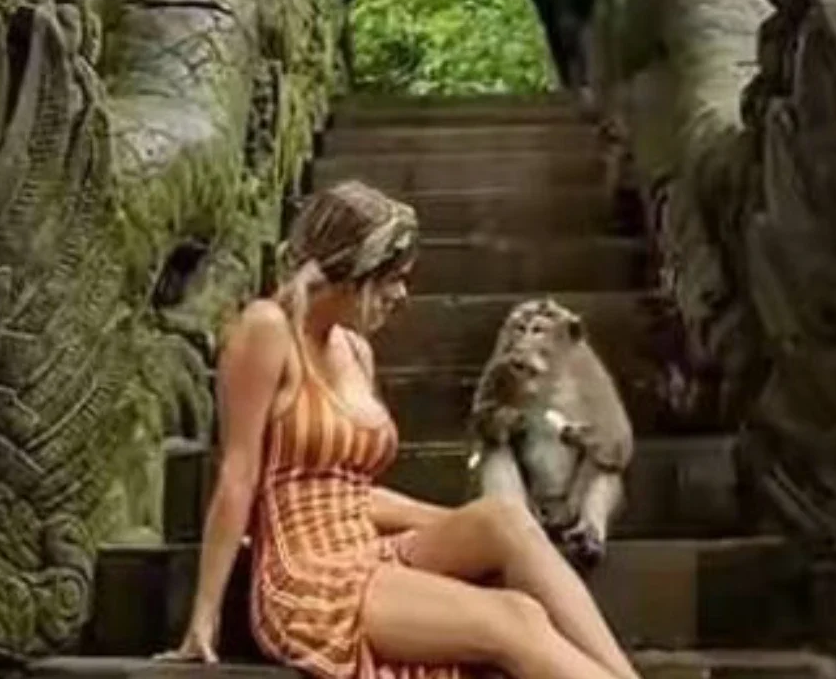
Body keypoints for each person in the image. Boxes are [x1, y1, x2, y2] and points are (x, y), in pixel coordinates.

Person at [158, 179, 643, 679]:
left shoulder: (357, 352)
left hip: (367, 551)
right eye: (394, 278)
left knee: (505, 519)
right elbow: (239, 476)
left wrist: (466, 523)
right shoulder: (267, 329)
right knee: (514, 617)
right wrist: (204, 619)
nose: (402, 295)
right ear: (355, 268)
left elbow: (353, 492)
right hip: (307, 578)